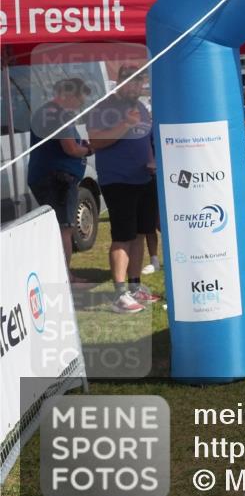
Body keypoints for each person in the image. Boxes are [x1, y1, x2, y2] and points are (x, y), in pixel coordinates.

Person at [87, 67, 161, 313]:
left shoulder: (140, 107)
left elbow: (145, 138)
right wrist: (124, 125)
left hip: (144, 178)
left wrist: (152, 161)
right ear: (120, 83)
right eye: (134, 84)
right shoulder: (103, 107)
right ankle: (119, 295)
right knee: (123, 237)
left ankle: (134, 286)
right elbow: (95, 141)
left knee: (140, 233)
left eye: (141, 84)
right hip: (118, 181)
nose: (138, 89)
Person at [27, 78, 94, 281]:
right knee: (65, 228)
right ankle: (66, 277)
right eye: (79, 101)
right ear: (69, 95)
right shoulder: (59, 115)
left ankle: (60, 273)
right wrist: (90, 149)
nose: (79, 106)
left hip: (48, 176)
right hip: (58, 179)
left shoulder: (46, 112)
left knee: (59, 226)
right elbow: (71, 148)